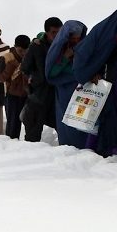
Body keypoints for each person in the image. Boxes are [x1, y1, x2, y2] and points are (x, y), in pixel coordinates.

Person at [69, 6, 117, 157]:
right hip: (108, 84)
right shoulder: (103, 34)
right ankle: (109, 152)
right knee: (111, 117)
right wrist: (91, 73)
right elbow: (83, 58)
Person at [45, 20, 90, 148]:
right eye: (73, 37)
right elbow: (51, 72)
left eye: (78, 37)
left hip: (82, 92)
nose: (76, 40)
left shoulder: (83, 47)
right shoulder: (58, 50)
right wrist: (65, 57)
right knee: (69, 127)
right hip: (65, 93)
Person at [21, 17, 63, 142]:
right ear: (47, 32)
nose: (56, 35)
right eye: (53, 32)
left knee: (62, 130)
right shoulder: (36, 46)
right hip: (39, 95)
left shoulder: (63, 45)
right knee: (33, 134)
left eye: (59, 32)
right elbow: (25, 67)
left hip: (57, 94)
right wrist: (34, 79)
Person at [2, 35, 31, 139]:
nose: (23, 53)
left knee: (30, 122)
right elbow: (0, 77)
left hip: (28, 94)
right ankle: (11, 145)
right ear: (15, 47)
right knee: (13, 124)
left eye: (25, 51)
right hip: (12, 95)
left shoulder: (30, 56)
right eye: (20, 51)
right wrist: (11, 67)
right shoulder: (7, 57)